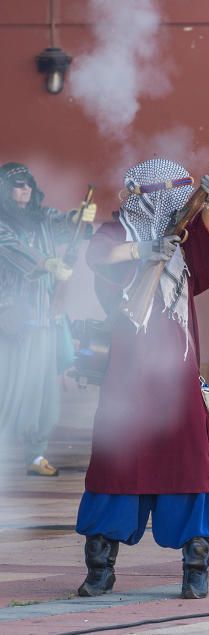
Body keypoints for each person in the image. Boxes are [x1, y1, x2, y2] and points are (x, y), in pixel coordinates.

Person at [75, 158, 209, 600]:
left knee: (187, 466)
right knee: (116, 467)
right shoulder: (117, 235)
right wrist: (142, 254)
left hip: (179, 377)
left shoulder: (184, 243)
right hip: (127, 378)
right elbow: (100, 257)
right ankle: (100, 569)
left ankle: (195, 569)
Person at [0, 162, 94, 477]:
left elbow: (64, 225)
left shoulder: (43, 217)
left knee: (43, 395)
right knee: (8, 390)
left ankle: (35, 453)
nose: (24, 189)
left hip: (45, 319)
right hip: (12, 321)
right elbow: (10, 249)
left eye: (28, 184)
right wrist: (48, 263)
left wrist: (77, 218)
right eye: (17, 184)